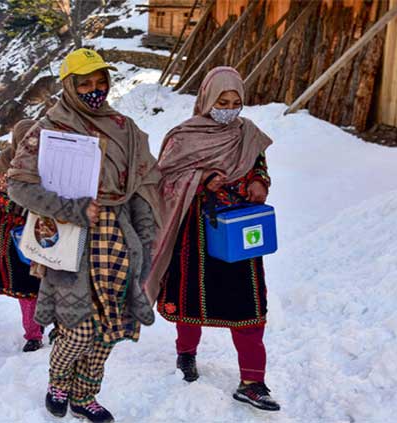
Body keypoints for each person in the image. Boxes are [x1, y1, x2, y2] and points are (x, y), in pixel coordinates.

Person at [7, 48, 161, 423]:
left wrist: (147, 239)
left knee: (108, 329)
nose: (96, 89)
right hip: (68, 242)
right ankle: (58, 383)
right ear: (69, 87)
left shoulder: (126, 129)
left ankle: (85, 395)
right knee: (76, 331)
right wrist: (71, 209)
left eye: (101, 82)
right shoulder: (49, 129)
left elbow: (145, 184)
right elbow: (17, 184)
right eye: (85, 83)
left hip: (116, 241)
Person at [146, 67, 279, 411]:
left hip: (240, 234)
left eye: (236, 102)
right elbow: (166, 180)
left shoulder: (248, 134)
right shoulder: (183, 138)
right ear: (207, 100)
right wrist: (203, 179)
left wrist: (260, 183)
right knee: (191, 300)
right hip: (195, 235)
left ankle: (253, 381)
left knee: (249, 306)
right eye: (222, 101)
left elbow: (259, 165)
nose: (230, 108)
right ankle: (186, 354)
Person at [0, 119, 46, 352]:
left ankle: (56, 323)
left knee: (54, 280)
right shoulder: (5, 161)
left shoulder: (49, 160)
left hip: (48, 230)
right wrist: (13, 203)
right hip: (16, 231)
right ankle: (33, 334)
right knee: (26, 284)